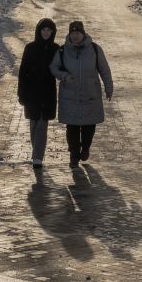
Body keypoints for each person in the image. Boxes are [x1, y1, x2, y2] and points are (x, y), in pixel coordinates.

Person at [50, 20, 112, 168]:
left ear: (83, 34)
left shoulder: (95, 49)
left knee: (89, 126)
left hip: (90, 93)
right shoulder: (63, 51)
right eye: (73, 33)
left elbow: (104, 69)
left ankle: (85, 148)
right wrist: (64, 76)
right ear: (69, 34)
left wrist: (109, 87)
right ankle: (74, 154)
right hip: (69, 95)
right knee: (72, 127)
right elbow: (53, 67)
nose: (75, 36)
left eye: (78, 33)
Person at [18, 18, 59, 169]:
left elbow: (61, 68)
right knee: (33, 123)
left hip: (47, 92)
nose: (46, 33)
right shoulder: (30, 48)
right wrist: (21, 93)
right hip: (31, 92)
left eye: (49, 30)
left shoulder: (56, 48)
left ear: (53, 32)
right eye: (44, 30)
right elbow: (23, 72)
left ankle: (37, 157)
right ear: (39, 31)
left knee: (42, 123)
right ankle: (36, 150)